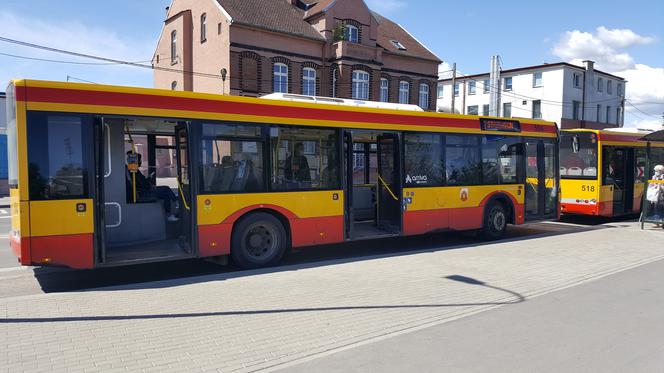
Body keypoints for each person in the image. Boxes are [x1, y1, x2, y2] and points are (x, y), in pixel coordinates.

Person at [126, 151, 179, 222]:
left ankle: (168, 215)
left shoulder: (132, 170)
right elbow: (144, 185)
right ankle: (176, 202)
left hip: (143, 190)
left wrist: (148, 180)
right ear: (136, 161)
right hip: (144, 193)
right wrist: (150, 182)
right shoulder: (134, 171)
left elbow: (141, 182)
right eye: (140, 160)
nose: (140, 162)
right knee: (166, 189)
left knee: (166, 195)